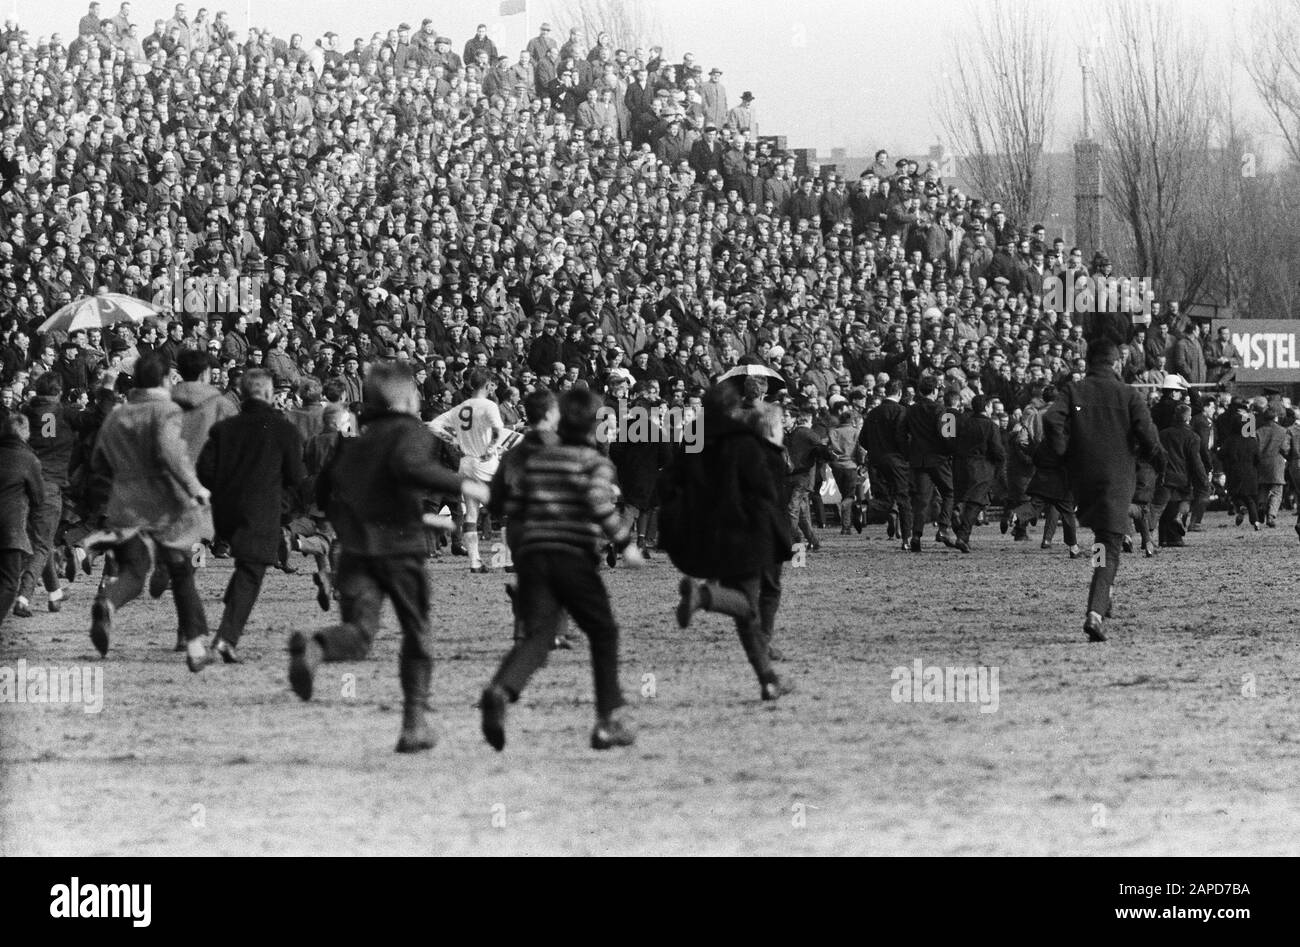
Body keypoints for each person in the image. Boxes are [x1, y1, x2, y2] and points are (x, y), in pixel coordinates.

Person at [287, 363, 489, 753]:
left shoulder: (356, 441)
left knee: (360, 635)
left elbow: (328, 490)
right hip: (400, 553)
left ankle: (315, 645)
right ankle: (414, 723)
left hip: (357, 551)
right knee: (417, 634)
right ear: (405, 399)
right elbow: (410, 468)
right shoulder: (411, 432)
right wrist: (466, 485)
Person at [479, 388, 643, 752]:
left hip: (534, 556)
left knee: (538, 635)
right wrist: (625, 543)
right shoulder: (594, 462)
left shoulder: (537, 459)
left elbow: (507, 502)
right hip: (572, 556)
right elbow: (599, 504)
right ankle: (607, 719)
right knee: (603, 631)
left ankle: (501, 690)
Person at [662, 384, 794, 699]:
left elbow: (669, 481)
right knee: (747, 604)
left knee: (744, 612)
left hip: (707, 531)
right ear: (735, 409)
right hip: (744, 531)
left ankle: (768, 679)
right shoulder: (744, 441)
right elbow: (764, 489)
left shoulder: (695, 438)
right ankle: (703, 596)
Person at [85, 351, 213, 671]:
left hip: (125, 504)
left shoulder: (117, 414)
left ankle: (108, 602)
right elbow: (171, 453)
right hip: (165, 502)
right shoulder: (166, 410)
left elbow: (98, 461)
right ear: (163, 380)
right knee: (182, 571)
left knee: (134, 568)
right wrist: (195, 488)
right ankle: (196, 646)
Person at [1045, 339, 1159, 642]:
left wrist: (1065, 452)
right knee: (1108, 547)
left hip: (1082, 479)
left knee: (1101, 540)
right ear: (1116, 363)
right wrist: (1154, 458)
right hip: (1117, 479)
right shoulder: (1128, 394)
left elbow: (1051, 419)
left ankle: (1103, 595)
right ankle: (1094, 612)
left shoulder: (1073, 390)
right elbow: (1148, 436)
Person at [197, 369, 306, 663]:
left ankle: (231, 604)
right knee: (252, 570)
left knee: (246, 568)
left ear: (243, 394)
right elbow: (296, 475)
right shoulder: (284, 429)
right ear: (270, 394)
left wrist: (223, 488)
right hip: (261, 510)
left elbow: (203, 470)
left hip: (225, 512)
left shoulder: (224, 429)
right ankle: (226, 639)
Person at [489, 388, 562, 642]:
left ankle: (523, 625)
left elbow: (495, 500)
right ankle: (552, 632)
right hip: (552, 523)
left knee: (530, 575)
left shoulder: (512, 454)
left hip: (519, 526)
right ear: (552, 414)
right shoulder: (562, 447)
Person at [14, 373, 76, 617]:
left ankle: (54, 593)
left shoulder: (27, 412)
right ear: (59, 391)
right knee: (41, 544)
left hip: (23, 483)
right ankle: (24, 596)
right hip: (50, 485)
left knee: (43, 541)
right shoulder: (65, 414)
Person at [429, 367, 503, 573]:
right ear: (488, 385)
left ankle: (475, 561)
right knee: (505, 510)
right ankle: (507, 560)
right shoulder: (489, 405)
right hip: (484, 463)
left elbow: (433, 426)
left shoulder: (460, 407)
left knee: (471, 513)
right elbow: (497, 430)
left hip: (466, 463)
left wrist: (453, 441)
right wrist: (491, 448)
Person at [0, 414, 43, 629]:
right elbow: (38, 498)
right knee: (8, 583)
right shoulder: (28, 459)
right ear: (25, 433)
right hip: (10, 530)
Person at [904, 375, 957, 551]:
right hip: (939, 459)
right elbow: (948, 437)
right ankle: (943, 528)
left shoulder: (910, 410)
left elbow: (902, 433)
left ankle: (916, 535)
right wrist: (950, 452)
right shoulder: (942, 410)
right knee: (949, 492)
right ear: (935, 391)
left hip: (919, 460)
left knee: (921, 499)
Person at [861, 379, 911, 544]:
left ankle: (863, 508)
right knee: (903, 498)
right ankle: (906, 538)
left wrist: (874, 450)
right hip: (895, 460)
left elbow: (862, 439)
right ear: (899, 393)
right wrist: (905, 455)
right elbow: (901, 438)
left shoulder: (873, 412)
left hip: (875, 460)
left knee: (884, 497)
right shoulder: (901, 411)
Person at [953, 395, 1005, 553]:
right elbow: (997, 449)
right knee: (976, 503)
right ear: (987, 407)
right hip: (982, 468)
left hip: (961, 465)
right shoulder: (990, 426)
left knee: (963, 497)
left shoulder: (962, 423)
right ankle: (963, 535)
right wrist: (1001, 461)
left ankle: (956, 513)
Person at [1155, 404, 1208, 547]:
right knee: (1185, 500)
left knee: (1166, 505)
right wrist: (1203, 479)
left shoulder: (1163, 434)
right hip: (1183, 476)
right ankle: (1176, 529)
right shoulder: (1193, 437)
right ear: (1189, 418)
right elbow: (1195, 461)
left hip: (1165, 475)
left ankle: (1164, 539)